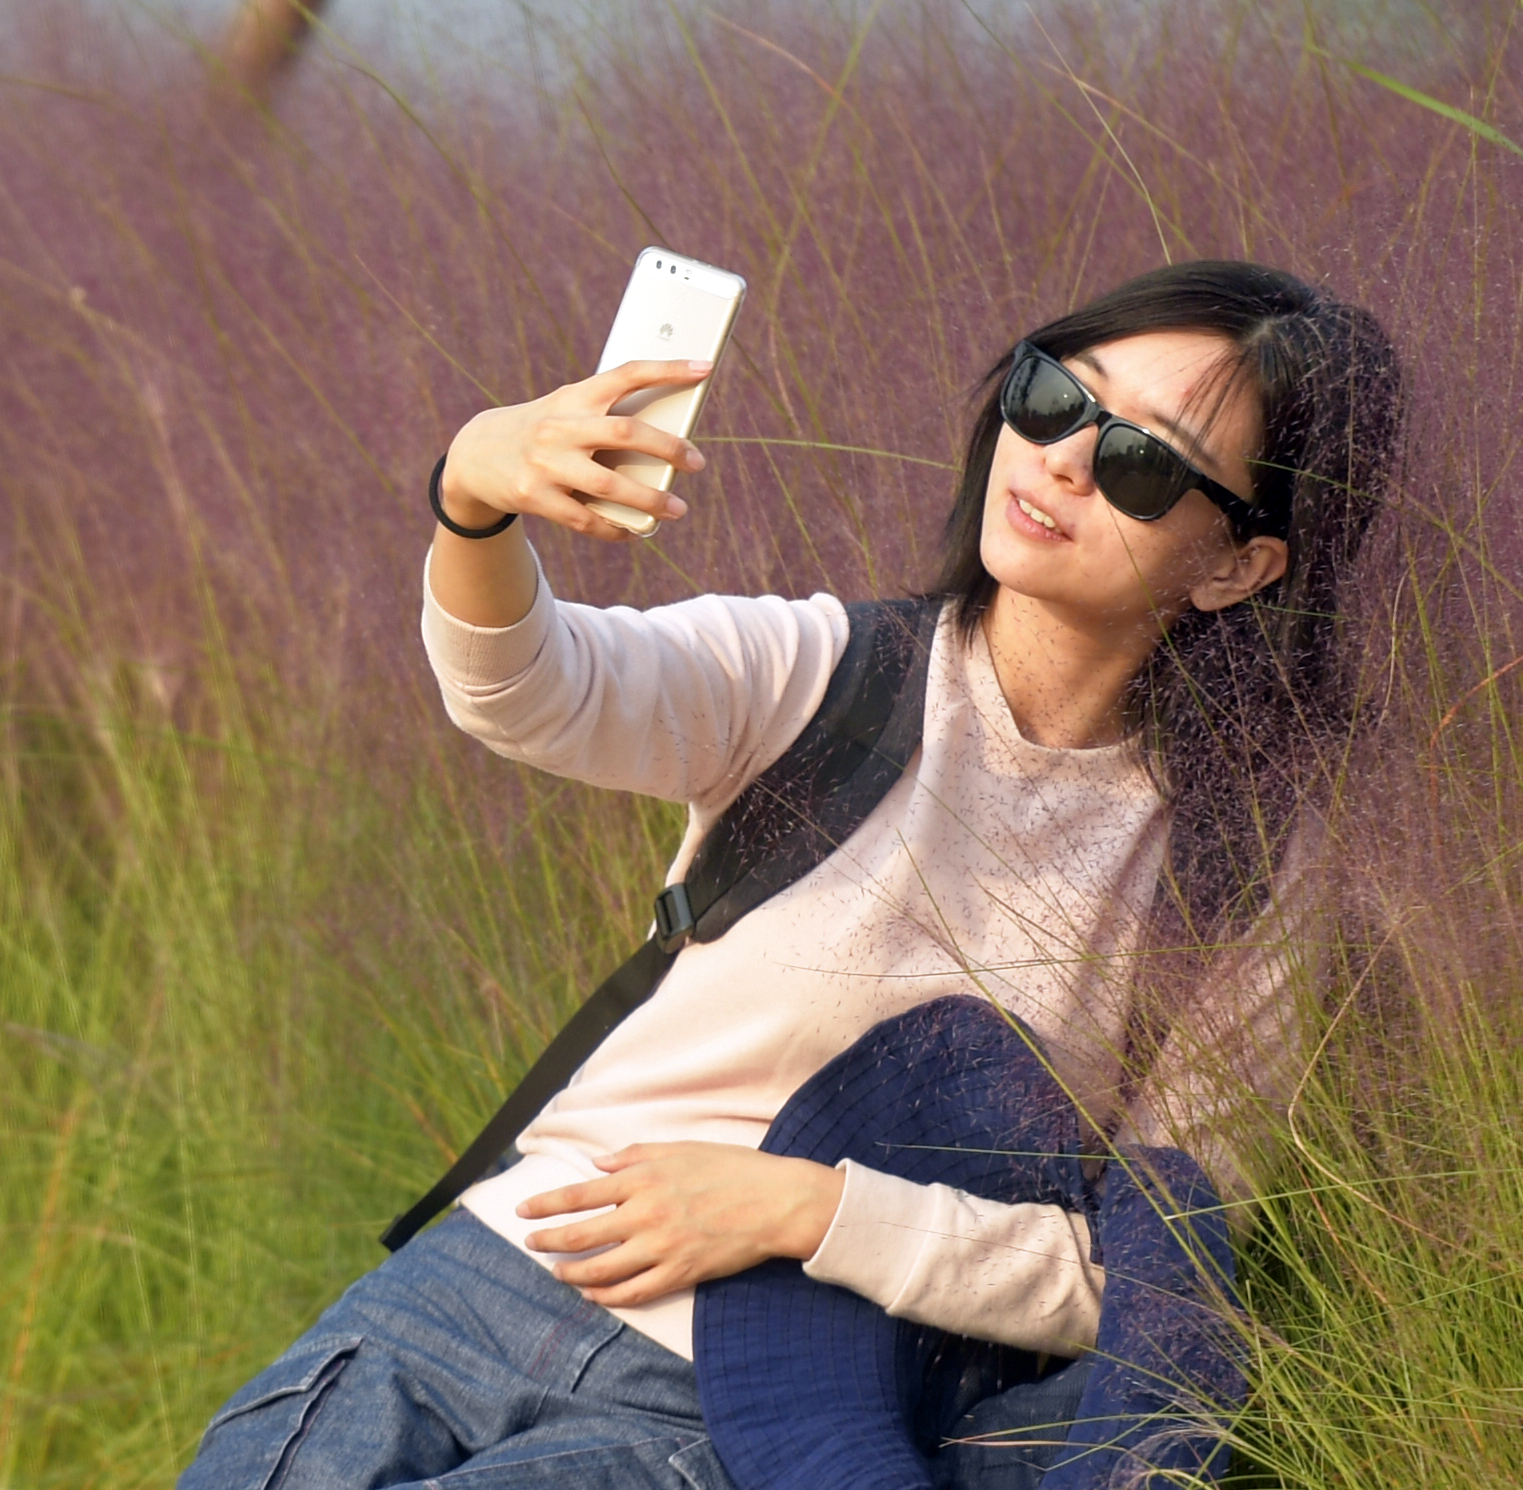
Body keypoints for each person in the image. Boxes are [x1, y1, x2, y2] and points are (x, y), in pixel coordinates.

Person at [177, 260, 1401, 1490]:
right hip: (476, 1285)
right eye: (1052, 398)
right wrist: (473, 499)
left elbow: (1154, 1292)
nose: (1065, 460)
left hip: (749, 1407)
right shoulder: (830, 671)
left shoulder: (1237, 862)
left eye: (1142, 461)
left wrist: (807, 1210)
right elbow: (529, 688)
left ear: (1237, 565)